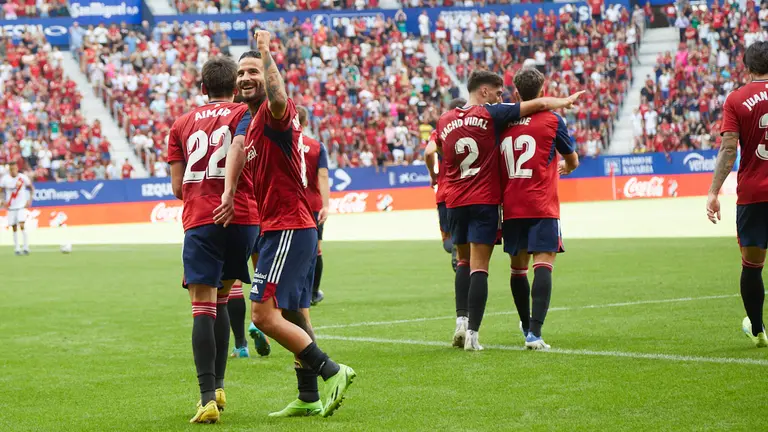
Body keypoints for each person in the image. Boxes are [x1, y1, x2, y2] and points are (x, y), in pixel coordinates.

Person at [214, 31, 355, 418]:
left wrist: (266, 53)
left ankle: (331, 370)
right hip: (280, 227)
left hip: (289, 227)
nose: (244, 78)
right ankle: (308, 396)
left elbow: (277, 97)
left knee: (262, 314)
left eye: (253, 72)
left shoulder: (277, 112)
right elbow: (240, 150)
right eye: (240, 73)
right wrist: (229, 192)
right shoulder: (250, 119)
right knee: (295, 313)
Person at [435, 70, 583, 351]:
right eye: (497, 92)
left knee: (503, 269)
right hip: (519, 202)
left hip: (485, 204)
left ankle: (466, 324)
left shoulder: (482, 122)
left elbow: (439, 149)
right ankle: (526, 333)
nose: (501, 97)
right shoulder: (513, 117)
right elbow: (568, 154)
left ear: (517, 94)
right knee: (529, 264)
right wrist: (564, 101)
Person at [167, 56, 260, 424]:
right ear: (235, 87)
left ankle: (206, 396)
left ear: (202, 88)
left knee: (202, 305)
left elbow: (177, 187)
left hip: (202, 218)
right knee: (223, 297)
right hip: (243, 218)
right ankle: (220, 385)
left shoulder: (181, 124)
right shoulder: (246, 113)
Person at [500, 68, 579, 351]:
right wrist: (567, 167)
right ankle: (535, 334)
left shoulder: (504, 122)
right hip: (542, 204)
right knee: (544, 263)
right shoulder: (552, 120)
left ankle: (525, 326)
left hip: (511, 206)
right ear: (543, 91)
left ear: (517, 94)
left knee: (518, 269)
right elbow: (572, 159)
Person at [707, 41, 768, 348]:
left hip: (754, 194)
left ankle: (758, 329)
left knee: (752, 266)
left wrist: (714, 191)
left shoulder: (737, 99)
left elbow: (729, 148)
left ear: (746, 68)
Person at [425, 97, 467, 271]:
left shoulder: (442, 129)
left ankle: (455, 247)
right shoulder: (475, 129)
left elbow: (428, 152)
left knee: (448, 241)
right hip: (471, 192)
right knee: (471, 242)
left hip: (446, 193)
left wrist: (433, 175)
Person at [297, 105, 330, 306]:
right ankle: (313, 292)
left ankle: (292, 290)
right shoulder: (316, 146)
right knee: (315, 249)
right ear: (306, 122)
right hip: (313, 204)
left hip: (291, 203)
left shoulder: (284, 143)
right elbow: (323, 175)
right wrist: (326, 204)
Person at [0, 161, 34, 255]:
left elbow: (31, 188)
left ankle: (26, 247)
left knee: (22, 225)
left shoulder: (22, 177)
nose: (13, 170)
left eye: (15, 168)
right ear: (9, 170)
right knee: (14, 227)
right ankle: (17, 248)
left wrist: (29, 200)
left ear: (17, 168)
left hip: (21, 206)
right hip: (11, 207)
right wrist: (2, 201)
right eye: (11, 169)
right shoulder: (5, 179)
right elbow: (1, 191)